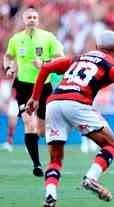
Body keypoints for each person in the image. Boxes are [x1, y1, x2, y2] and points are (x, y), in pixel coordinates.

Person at [26, 30, 114, 207]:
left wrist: (34, 98)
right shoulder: (113, 66)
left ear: (96, 46)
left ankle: (50, 194)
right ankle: (91, 178)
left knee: (55, 159)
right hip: (77, 104)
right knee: (111, 145)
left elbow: (46, 68)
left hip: (54, 103)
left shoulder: (78, 58)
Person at [3, 7, 64, 176]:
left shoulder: (48, 37)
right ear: (24, 19)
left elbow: (61, 57)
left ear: (38, 19)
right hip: (23, 87)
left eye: (34, 17)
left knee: (42, 131)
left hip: (43, 87)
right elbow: (8, 56)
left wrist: (45, 62)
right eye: (29, 17)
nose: (31, 19)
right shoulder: (16, 39)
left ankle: (36, 140)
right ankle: (37, 164)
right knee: (29, 124)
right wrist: (8, 67)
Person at [0, 79, 18, 152]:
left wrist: (8, 101)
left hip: (12, 101)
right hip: (2, 98)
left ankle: (9, 142)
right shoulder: (2, 82)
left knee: (12, 122)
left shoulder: (15, 79)